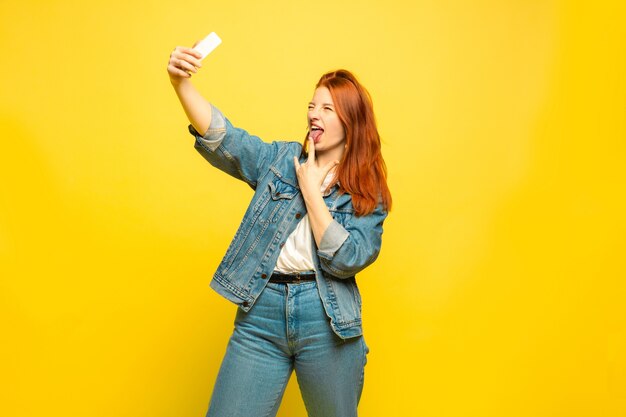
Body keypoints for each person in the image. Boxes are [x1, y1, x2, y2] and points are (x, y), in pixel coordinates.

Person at [167, 44, 392, 417]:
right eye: (311, 106)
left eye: (327, 108)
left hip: (328, 321)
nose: (313, 115)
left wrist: (312, 191)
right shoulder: (281, 161)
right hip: (261, 312)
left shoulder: (368, 194)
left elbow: (346, 259)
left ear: (351, 122)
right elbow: (227, 141)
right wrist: (180, 84)